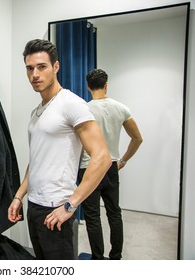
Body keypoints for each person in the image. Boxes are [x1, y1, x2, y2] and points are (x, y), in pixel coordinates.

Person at [7, 39, 112, 260]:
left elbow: (102, 157)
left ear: (56, 67)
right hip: (34, 206)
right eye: (29, 68)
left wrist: (70, 205)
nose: (35, 74)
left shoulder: (70, 104)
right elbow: (36, 160)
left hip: (56, 208)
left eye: (42, 66)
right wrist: (18, 196)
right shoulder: (37, 111)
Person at [78, 69, 143, 260]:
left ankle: (97, 259)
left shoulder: (84, 109)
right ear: (106, 85)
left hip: (88, 167)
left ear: (88, 86)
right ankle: (115, 258)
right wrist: (122, 160)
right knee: (114, 214)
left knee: (92, 217)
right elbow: (137, 139)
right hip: (111, 166)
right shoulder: (121, 108)